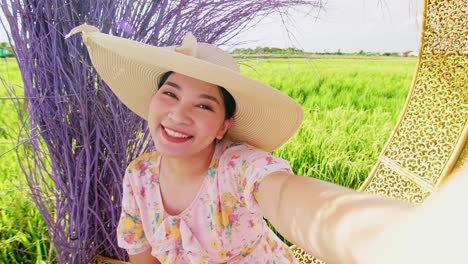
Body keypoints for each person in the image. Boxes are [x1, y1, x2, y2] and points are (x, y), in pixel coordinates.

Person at [66, 25, 468, 264]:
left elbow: (300, 202)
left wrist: (395, 239)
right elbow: (141, 255)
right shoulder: (138, 176)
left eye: (202, 104)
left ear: (224, 126)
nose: (178, 115)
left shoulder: (239, 167)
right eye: (170, 94)